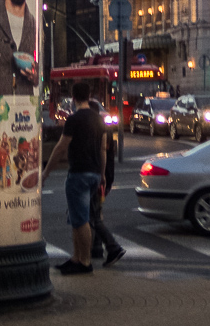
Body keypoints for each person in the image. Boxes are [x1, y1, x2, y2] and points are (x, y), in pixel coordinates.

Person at [41, 82, 106, 275]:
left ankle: (84, 261)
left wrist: (46, 173)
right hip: (94, 172)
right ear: (89, 95)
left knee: (81, 219)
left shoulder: (74, 120)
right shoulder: (98, 119)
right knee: (77, 217)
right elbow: (103, 149)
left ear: (73, 97)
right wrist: (101, 174)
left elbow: (61, 147)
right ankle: (76, 258)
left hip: (79, 173)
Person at [89, 105, 126, 267]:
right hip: (106, 177)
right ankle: (97, 248)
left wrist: (101, 176)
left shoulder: (97, 130)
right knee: (96, 210)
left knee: (93, 214)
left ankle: (112, 247)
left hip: (100, 177)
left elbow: (101, 152)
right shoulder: (104, 128)